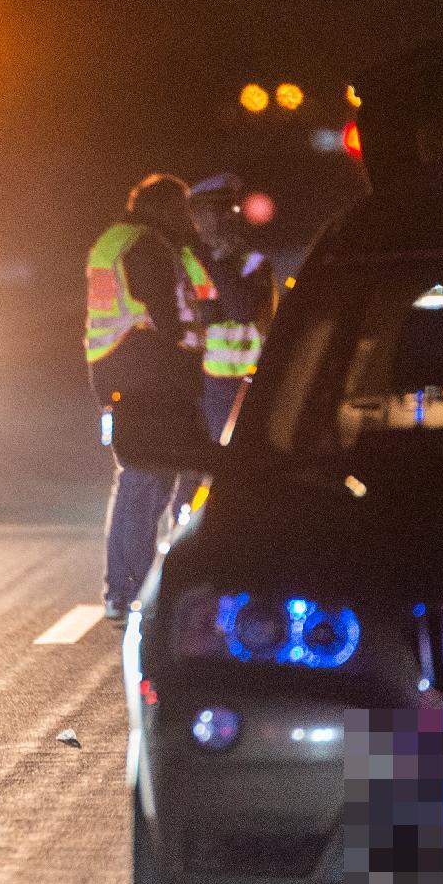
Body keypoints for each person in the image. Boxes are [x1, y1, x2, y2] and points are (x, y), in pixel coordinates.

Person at [84, 174, 214, 620]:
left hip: (124, 373)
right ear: (162, 209)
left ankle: (123, 590)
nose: (187, 219)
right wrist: (184, 336)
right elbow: (166, 317)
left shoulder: (119, 240)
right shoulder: (146, 245)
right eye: (181, 209)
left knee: (142, 480)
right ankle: (130, 591)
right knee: (145, 482)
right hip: (147, 376)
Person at [186, 174, 273, 438]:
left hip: (251, 378)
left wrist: (215, 263)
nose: (223, 219)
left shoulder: (252, 259)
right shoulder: (191, 261)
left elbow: (241, 310)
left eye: (227, 209)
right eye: (213, 211)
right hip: (212, 382)